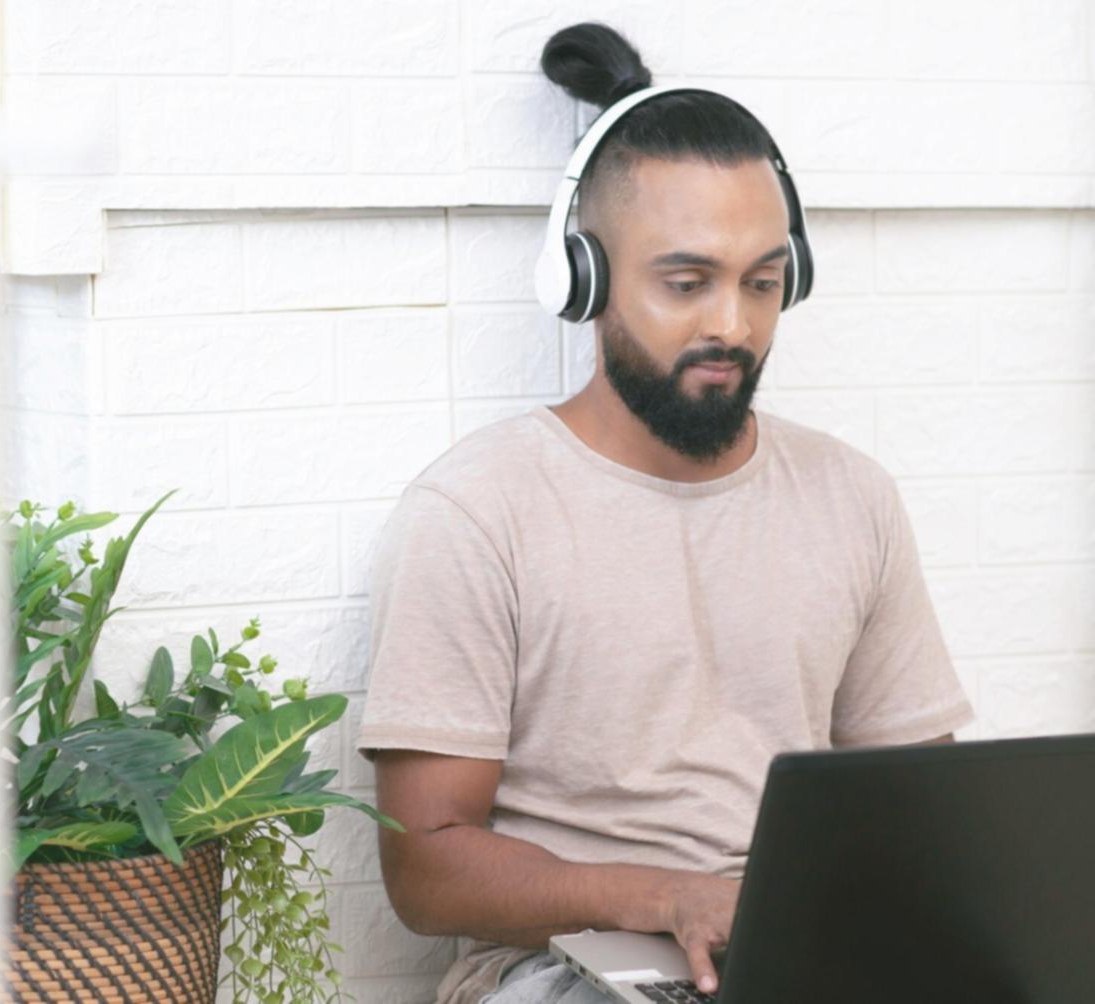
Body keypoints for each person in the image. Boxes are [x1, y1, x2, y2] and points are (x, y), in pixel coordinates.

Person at [353, 22, 975, 1004]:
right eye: (686, 283)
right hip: (562, 966)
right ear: (582, 279)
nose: (730, 321)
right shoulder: (478, 509)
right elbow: (425, 870)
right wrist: (671, 895)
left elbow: (921, 810)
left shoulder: (851, 494)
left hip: (799, 956)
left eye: (761, 283)